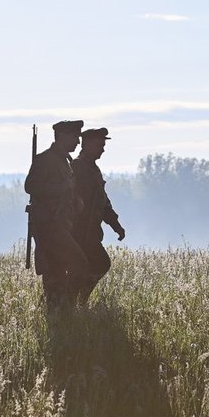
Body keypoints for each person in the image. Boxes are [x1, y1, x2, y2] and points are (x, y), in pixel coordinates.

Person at [24, 120, 88, 307]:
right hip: (49, 226)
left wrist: (75, 200)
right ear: (63, 136)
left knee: (57, 272)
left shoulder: (65, 161)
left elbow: (68, 190)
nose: (78, 141)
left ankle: (56, 312)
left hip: (62, 224)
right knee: (78, 264)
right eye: (75, 136)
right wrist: (61, 188)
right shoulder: (45, 159)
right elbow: (31, 186)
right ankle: (66, 307)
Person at [71, 127, 126, 304]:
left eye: (103, 145)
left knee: (95, 265)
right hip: (78, 231)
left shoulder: (93, 169)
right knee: (97, 264)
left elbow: (102, 201)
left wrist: (115, 224)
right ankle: (74, 301)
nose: (103, 149)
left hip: (90, 231)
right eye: (99, 145)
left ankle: (76, 301)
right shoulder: (78, 168)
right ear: (87, 145)